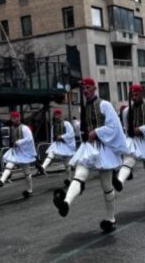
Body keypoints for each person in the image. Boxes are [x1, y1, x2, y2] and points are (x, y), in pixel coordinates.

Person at [52, 77, 127, 232]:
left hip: (103, 148)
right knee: (79, 175)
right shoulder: (84, 108)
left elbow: (114, 126)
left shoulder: (104, 105)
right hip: (89, 147)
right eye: (83, 88)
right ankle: (66, 203)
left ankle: (111, 218)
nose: (85, 91)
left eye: (87, 88)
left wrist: (96, 132)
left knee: (106, 186)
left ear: (94, 88)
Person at [0, 111, 39, 198]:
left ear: (19, 118)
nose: (13, 120)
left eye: (15, 118)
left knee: (27, 173)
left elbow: (29, 139)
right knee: (9, 164)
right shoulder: (12, 128)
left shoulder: (24, 128)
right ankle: (2, 180)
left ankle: (30, 190)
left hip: (23, 152)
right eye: (12, 118)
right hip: (15, 151)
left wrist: (18, 142)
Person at [38, 108, 76, 187]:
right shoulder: (53, 125)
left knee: (67, 164)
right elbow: (52, 136)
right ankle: (42, 167)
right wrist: (52, 144)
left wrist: (62, 137)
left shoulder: (66, 123)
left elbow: (71, 134)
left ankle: (69, 179)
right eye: (55, 114)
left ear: (60, 115)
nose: (57, 116)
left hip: (65, 145)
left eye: (58, 114)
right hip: (57, 144)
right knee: (50, 154)